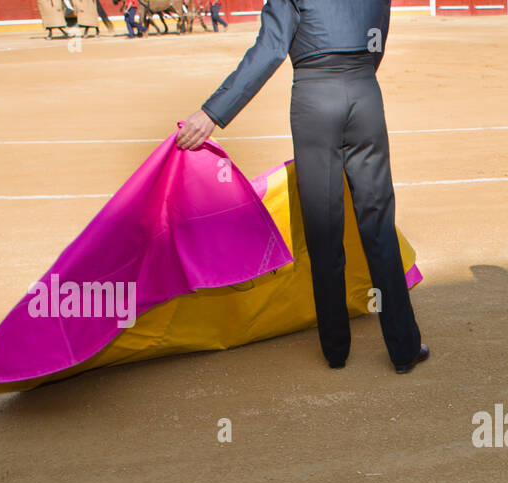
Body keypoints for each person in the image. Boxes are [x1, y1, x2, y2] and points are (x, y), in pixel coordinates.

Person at [175, 0, 428, 374]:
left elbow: (271, 49)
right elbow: (378, 39)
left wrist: (213, 112)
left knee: (324, 227)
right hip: (365, 95)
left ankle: (336, 349)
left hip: (314, 99)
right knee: (378, 225)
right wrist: (355, 77)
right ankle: (404, 348)